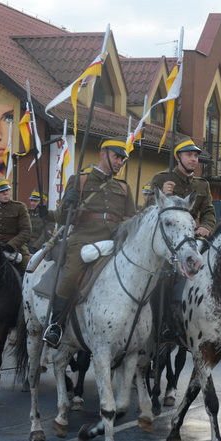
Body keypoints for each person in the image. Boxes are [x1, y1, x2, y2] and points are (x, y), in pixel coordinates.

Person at [43, 137, 136, 348]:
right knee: (71, 275)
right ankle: (56, 324)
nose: (120, 162)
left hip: (115, 240)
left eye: (123, 159)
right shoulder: (80, 180)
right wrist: (69, 203)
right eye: (117, 157)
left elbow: (129, 217)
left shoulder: (123, 187)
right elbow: (61, 217)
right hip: (84, 238)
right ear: (102, 154)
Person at [148, 137, 215, 237]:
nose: (193, 159)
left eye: (196, 156)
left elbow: (208, 211)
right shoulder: (161, 179)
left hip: (190, 235)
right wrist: (162, 194)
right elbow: (148, 207)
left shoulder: (202, 185)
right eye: (189, 155)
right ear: (178, 157)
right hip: (165, 235)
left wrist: (205, 226)